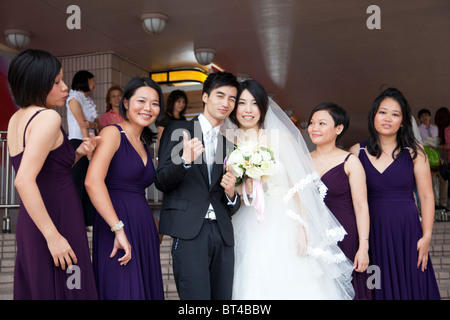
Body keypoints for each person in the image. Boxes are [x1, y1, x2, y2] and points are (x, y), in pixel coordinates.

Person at [227, 79, 354, 300]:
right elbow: (232, 187)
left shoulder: (279, 137)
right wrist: (242, 186)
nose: (248, 110)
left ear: (263, 107)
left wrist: (304, 230)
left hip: (284, 220)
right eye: (242, 103)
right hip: (249, 219)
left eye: (254, 103)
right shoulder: (229, 142)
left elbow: (299, 185)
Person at [7, 49, 98, 299]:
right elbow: (24, 179)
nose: (65, 87)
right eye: (57, 82)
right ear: (37, 83)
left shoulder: (17, 119)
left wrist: (77, 152)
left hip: (34, 218)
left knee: (42, 287)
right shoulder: (47, 117)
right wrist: (53, 236)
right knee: (71, 286)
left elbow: (48, 169)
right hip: (56, 219)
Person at [154, 71, 241, 300]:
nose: (226, 103)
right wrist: (184, 161)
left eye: (232, 99)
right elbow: (161, 180)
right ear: (205, 97)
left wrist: (232, 194)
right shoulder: (178, 131)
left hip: (222, 234)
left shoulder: (229, 145)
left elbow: (229, 202)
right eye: (220, 95)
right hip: (190, 231)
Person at [349, 87, 441, 300]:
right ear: (373, 116)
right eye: (383, 112)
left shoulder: (415, 152)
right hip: (373, 233)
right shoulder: (357, 152)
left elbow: (427, 196)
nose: (387, 118)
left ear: (403, 121)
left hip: (407, 232)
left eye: (395, 114)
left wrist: (426, 236)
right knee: (376, 286)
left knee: (413, 286)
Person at [85, 77, 164, 300]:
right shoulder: (112, 133)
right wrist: (118, 228)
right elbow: (92, 181)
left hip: (143, 227)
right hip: (115, 225)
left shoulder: (143, 143)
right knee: (121, 290)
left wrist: (153, 220)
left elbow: (136, 189)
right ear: (126, 103)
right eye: (141, 101)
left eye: (155, 103)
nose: (148, 108)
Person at [308, 102, 372, 300]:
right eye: (311, 123)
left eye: (321, 123)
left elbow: (361, 207)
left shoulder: (350, 161)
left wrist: (364, 246)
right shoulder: (301, 160)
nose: (314, 128)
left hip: (345, 238)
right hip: (312, 238)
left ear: (339, 128)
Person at [66, 70, 98, 227]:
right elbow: (82, 124)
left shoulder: (86, 99)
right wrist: (88, 146)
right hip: (79, 142)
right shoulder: (73, 98)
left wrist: (92, 127)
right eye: (92, 81)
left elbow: (93, 123)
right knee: (77, 182)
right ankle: (76, 222)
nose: (94, 84)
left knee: (89, 182)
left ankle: (89, 220)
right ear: (84, 81)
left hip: (88, 141)